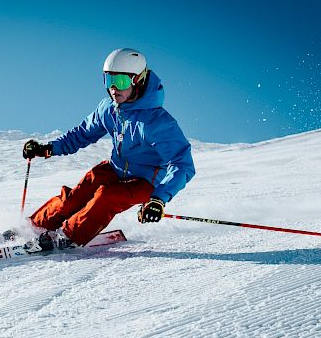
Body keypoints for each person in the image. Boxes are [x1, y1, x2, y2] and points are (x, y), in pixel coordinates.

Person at [21, 48, 195, 252]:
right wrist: (48, 148)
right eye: (108, 80)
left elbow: (182, 164)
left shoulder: (157, 123)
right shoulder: (108, 109)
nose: (113, 88)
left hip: (147, 181)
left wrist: (159, 199)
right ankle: (33, 227)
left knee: (107, 196)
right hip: (115, 168)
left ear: (137, 80)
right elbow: (81, 134)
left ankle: (68, 236)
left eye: (120, 81)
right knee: (78, 194)